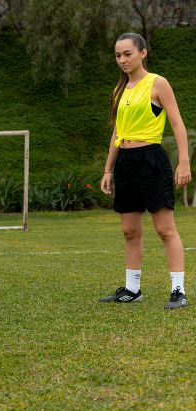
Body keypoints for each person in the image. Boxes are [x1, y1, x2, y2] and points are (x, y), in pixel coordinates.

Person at [99, 32, 191, 309]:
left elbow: (177, 124)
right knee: (129, 230)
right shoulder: (119, 90)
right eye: (118, 55)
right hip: (125, 163)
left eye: (127, 54)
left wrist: (184, 161)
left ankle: (178, 290)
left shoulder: (157, 83)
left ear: (143, 53)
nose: (122, 60)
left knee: (164, 229)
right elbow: (118, 131)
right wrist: (108, 170)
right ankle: (132, 289)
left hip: (151, 160)